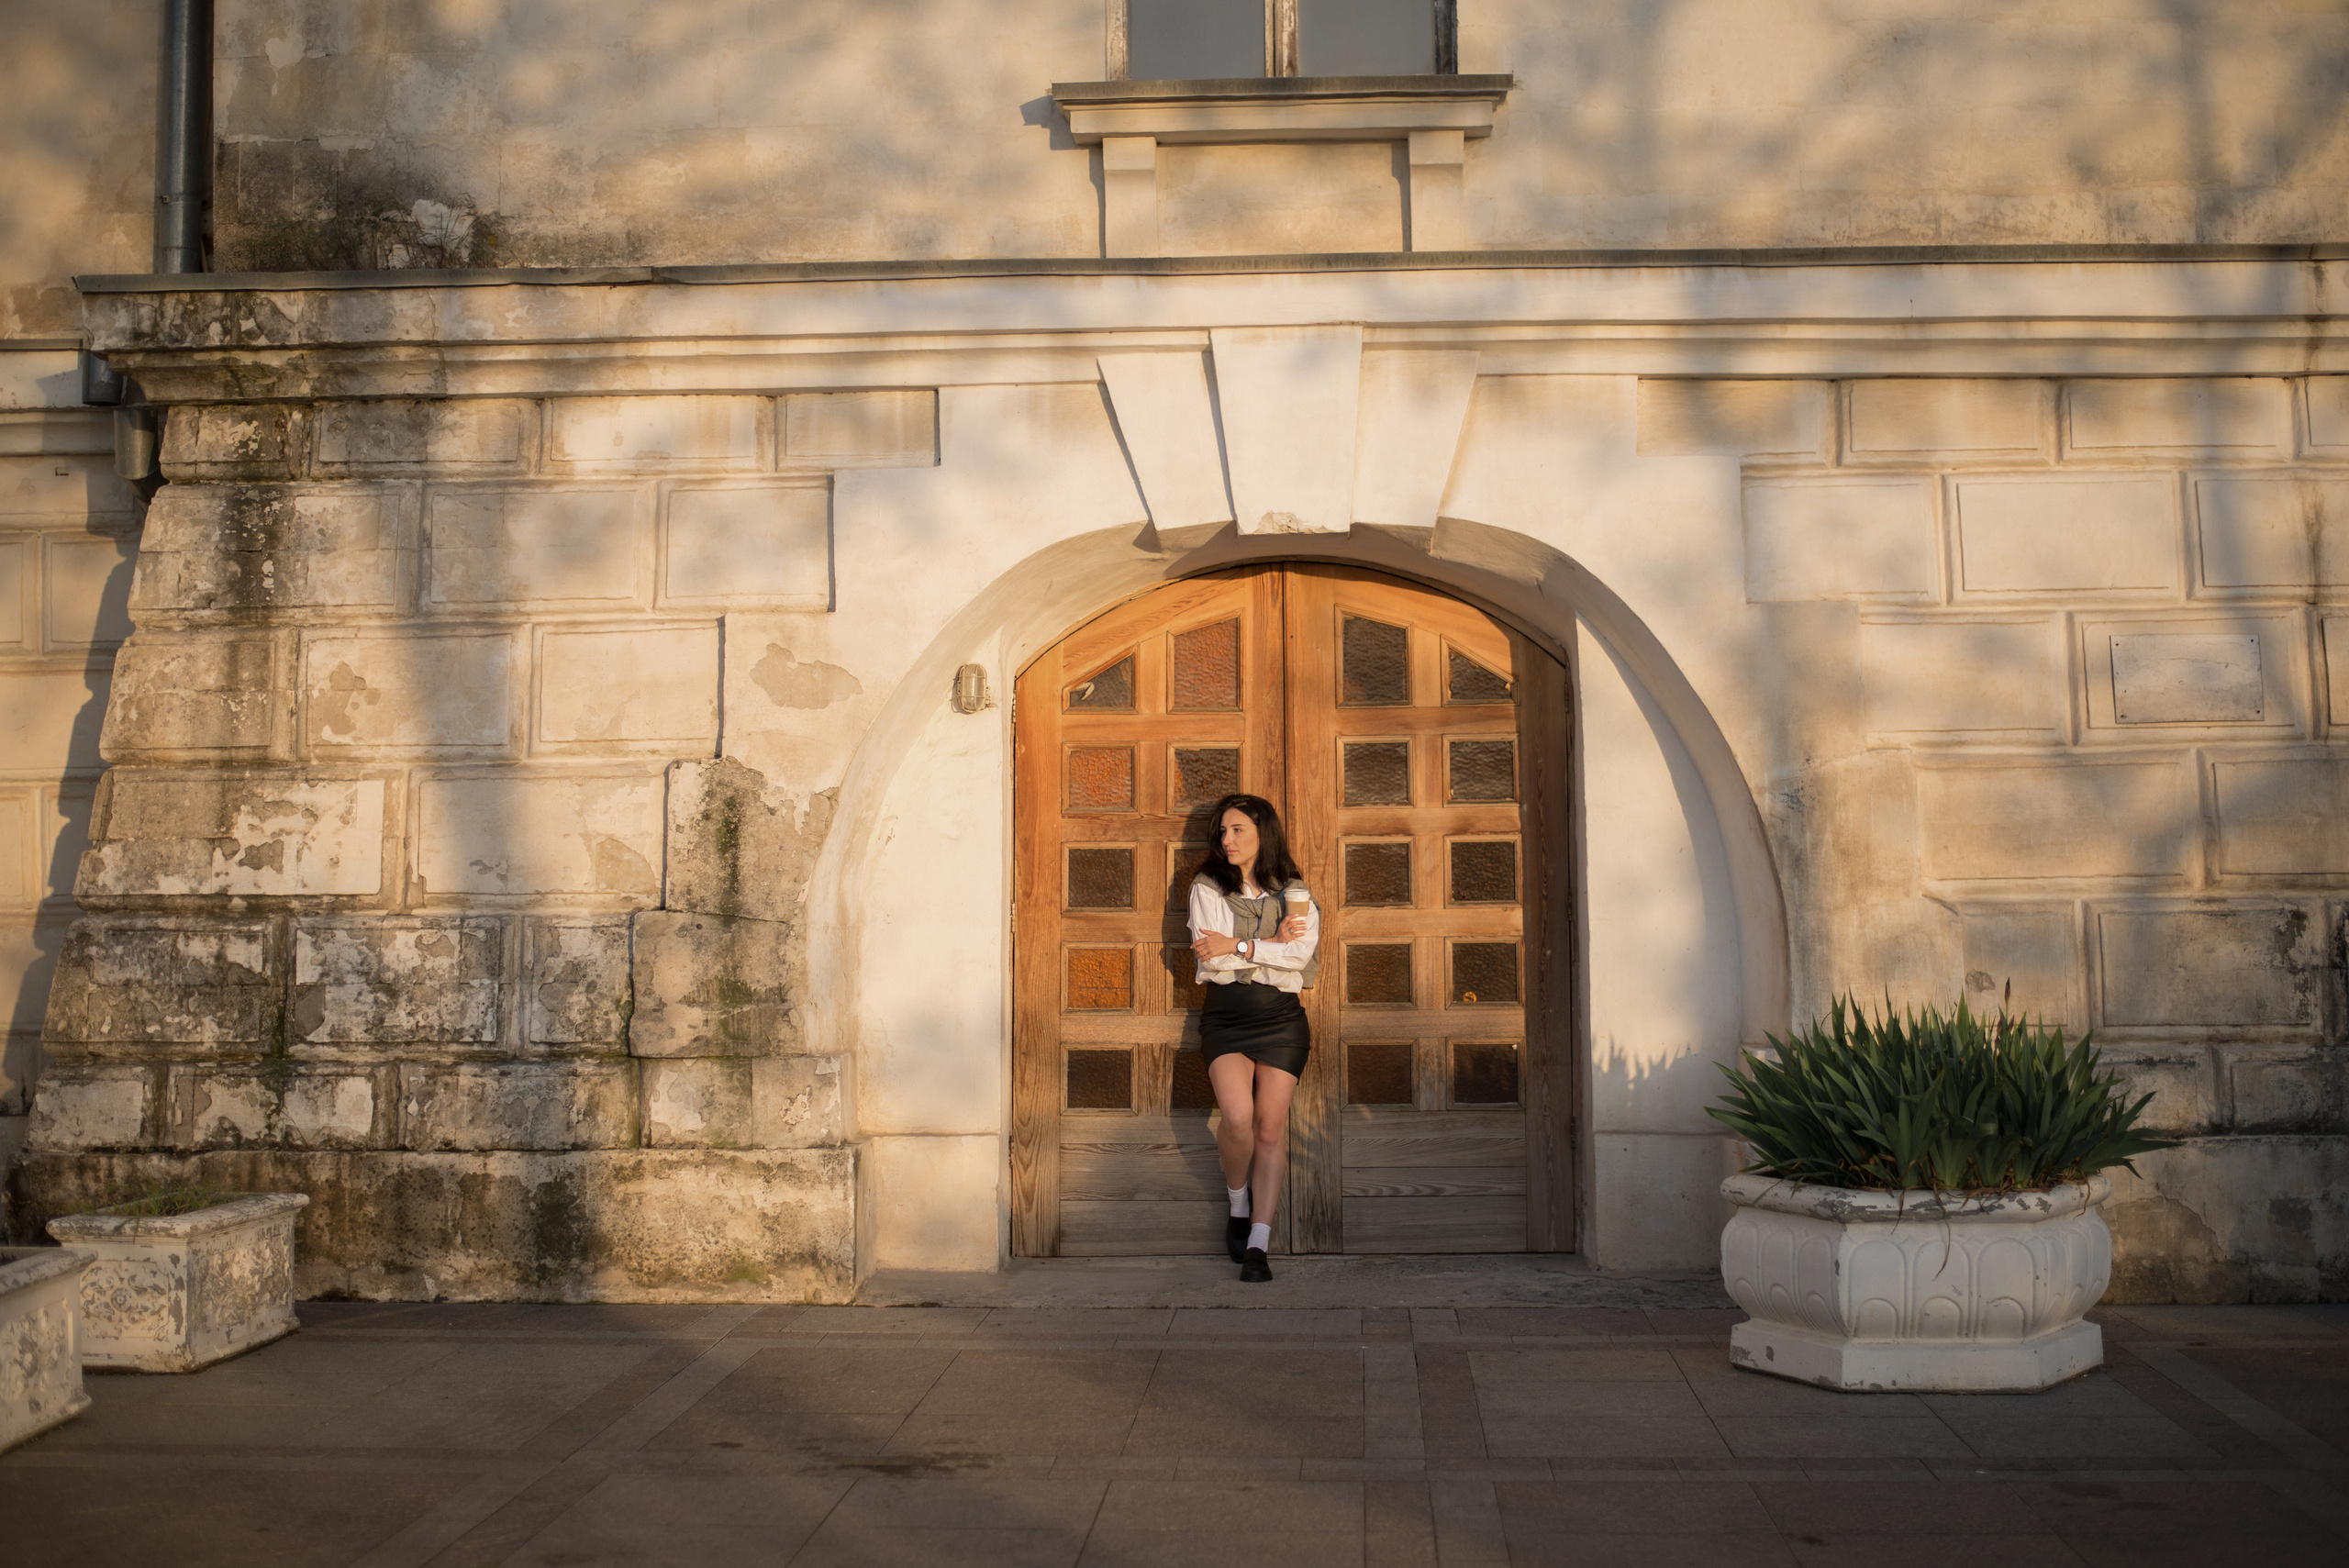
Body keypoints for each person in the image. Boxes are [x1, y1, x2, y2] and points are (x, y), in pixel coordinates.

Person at [1186, 793, 1319, 1283]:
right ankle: (1237, 1201)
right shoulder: (1207, 887)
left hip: (1282, 1022)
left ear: (1264, 832)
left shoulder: (1295, 892)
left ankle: (1259, 1243)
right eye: (1223, 831)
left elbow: (1300, 957)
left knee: (1269, 1128)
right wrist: (1271, 945)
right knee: (1238, 1120)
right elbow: (1211, 960)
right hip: (1225, 1020)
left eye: (1238, 829)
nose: (1227, 840)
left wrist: (1240, 943)